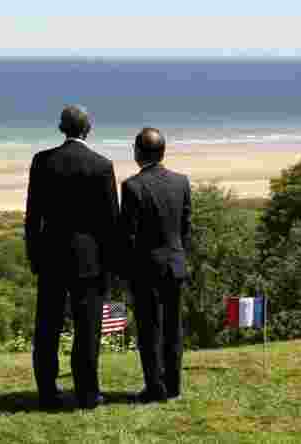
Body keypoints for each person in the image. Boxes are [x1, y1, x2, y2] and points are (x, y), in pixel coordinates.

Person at [25, 104, 120, 410]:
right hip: (88, 259)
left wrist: (34, 257)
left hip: (51, 256)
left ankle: (47, 392)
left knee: (47, 328)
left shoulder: (42, 161)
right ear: (87, 129)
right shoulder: (101, 166)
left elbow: (32, 218)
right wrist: (110, 266)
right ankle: (88, 393)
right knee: (88, 328)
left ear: (61, 128)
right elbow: (110, 224)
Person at [120, 127, 191, 403]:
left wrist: (124, 270)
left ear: (138, 153)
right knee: (173, 329)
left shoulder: (132, 186)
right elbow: (185, 227)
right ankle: (173, 386)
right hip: (174, 264)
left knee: (149, 330)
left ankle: (154, 387)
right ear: (162, 152)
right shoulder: (181, 182)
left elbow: (129, 235)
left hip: (146, 269)